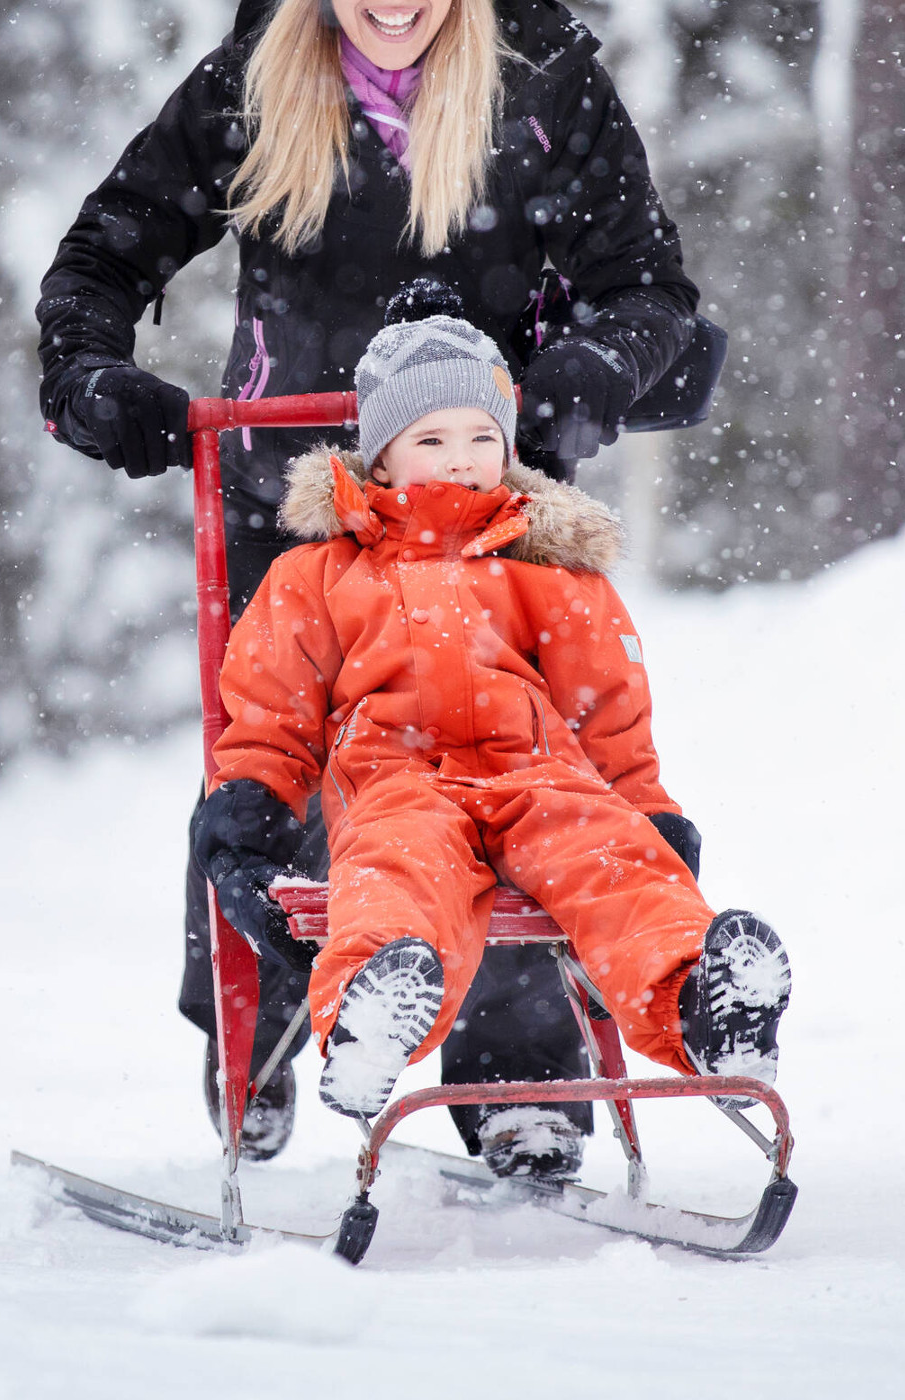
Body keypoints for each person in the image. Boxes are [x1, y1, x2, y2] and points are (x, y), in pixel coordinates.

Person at [35, 0, 703, 1177]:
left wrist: (590, 371)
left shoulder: (542, 83)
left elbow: (650, 292)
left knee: (515, 764)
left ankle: (516, 1076)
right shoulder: (252, 82)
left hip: (492, 500)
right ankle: (271, 1028)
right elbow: (104, 251)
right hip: (298, 506)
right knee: (284, 763)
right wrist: (91, 375)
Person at [189, 301, 789, 1149]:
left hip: (536, 774)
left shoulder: (548, 571)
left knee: (608, 856)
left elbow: (608, 717)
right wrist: (247, 820)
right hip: (397, 777)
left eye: (481, 439)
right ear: (383, 455)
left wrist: (646, 814)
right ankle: (374, 1015)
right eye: (431, 441)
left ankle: (704, 1003)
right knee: (398, 869)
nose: (460, 462)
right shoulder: (318, 575)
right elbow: (272, 713)